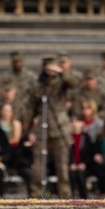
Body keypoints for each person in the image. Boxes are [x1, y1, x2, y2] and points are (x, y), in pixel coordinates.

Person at [26, 55, 76, 198]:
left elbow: (72, 83)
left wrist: (60, 71)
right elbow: (31, 109)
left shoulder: (62, 83)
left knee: (62, 167)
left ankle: (65, 195)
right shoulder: (38, 86)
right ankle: (36, 195)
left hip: (60, 128)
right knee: (38, 167)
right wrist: (30, 131)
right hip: (42, 128)